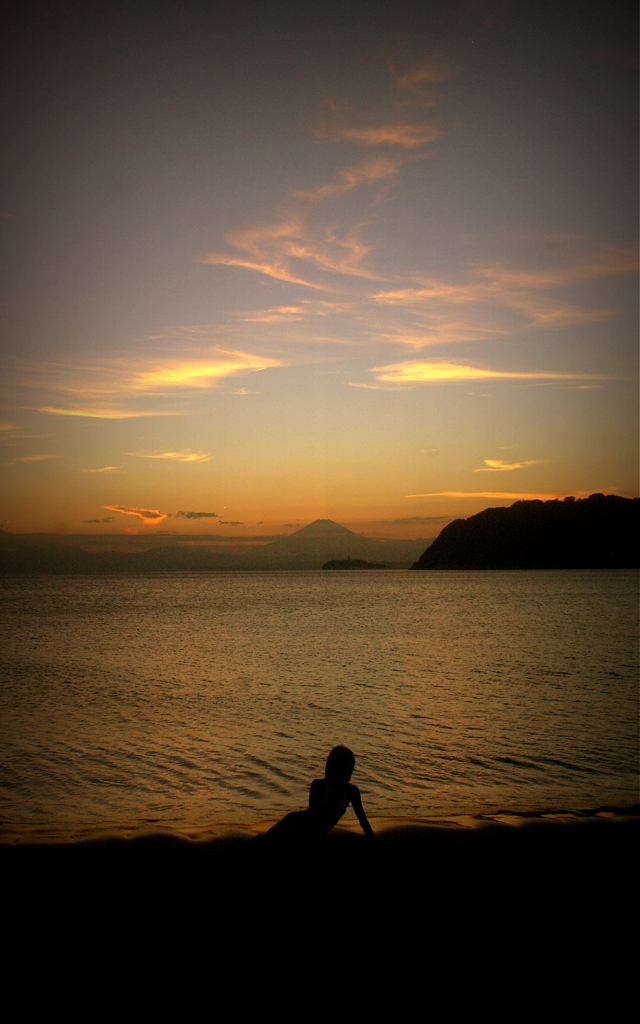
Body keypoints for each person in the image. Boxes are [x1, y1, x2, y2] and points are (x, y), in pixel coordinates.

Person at [258, 745, 376, 848]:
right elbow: (313, 819)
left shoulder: (351, 791)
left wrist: (375, 844)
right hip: (296, 824)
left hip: (307, 832)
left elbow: (363, 822)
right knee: (262, 845)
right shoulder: (318, 785)